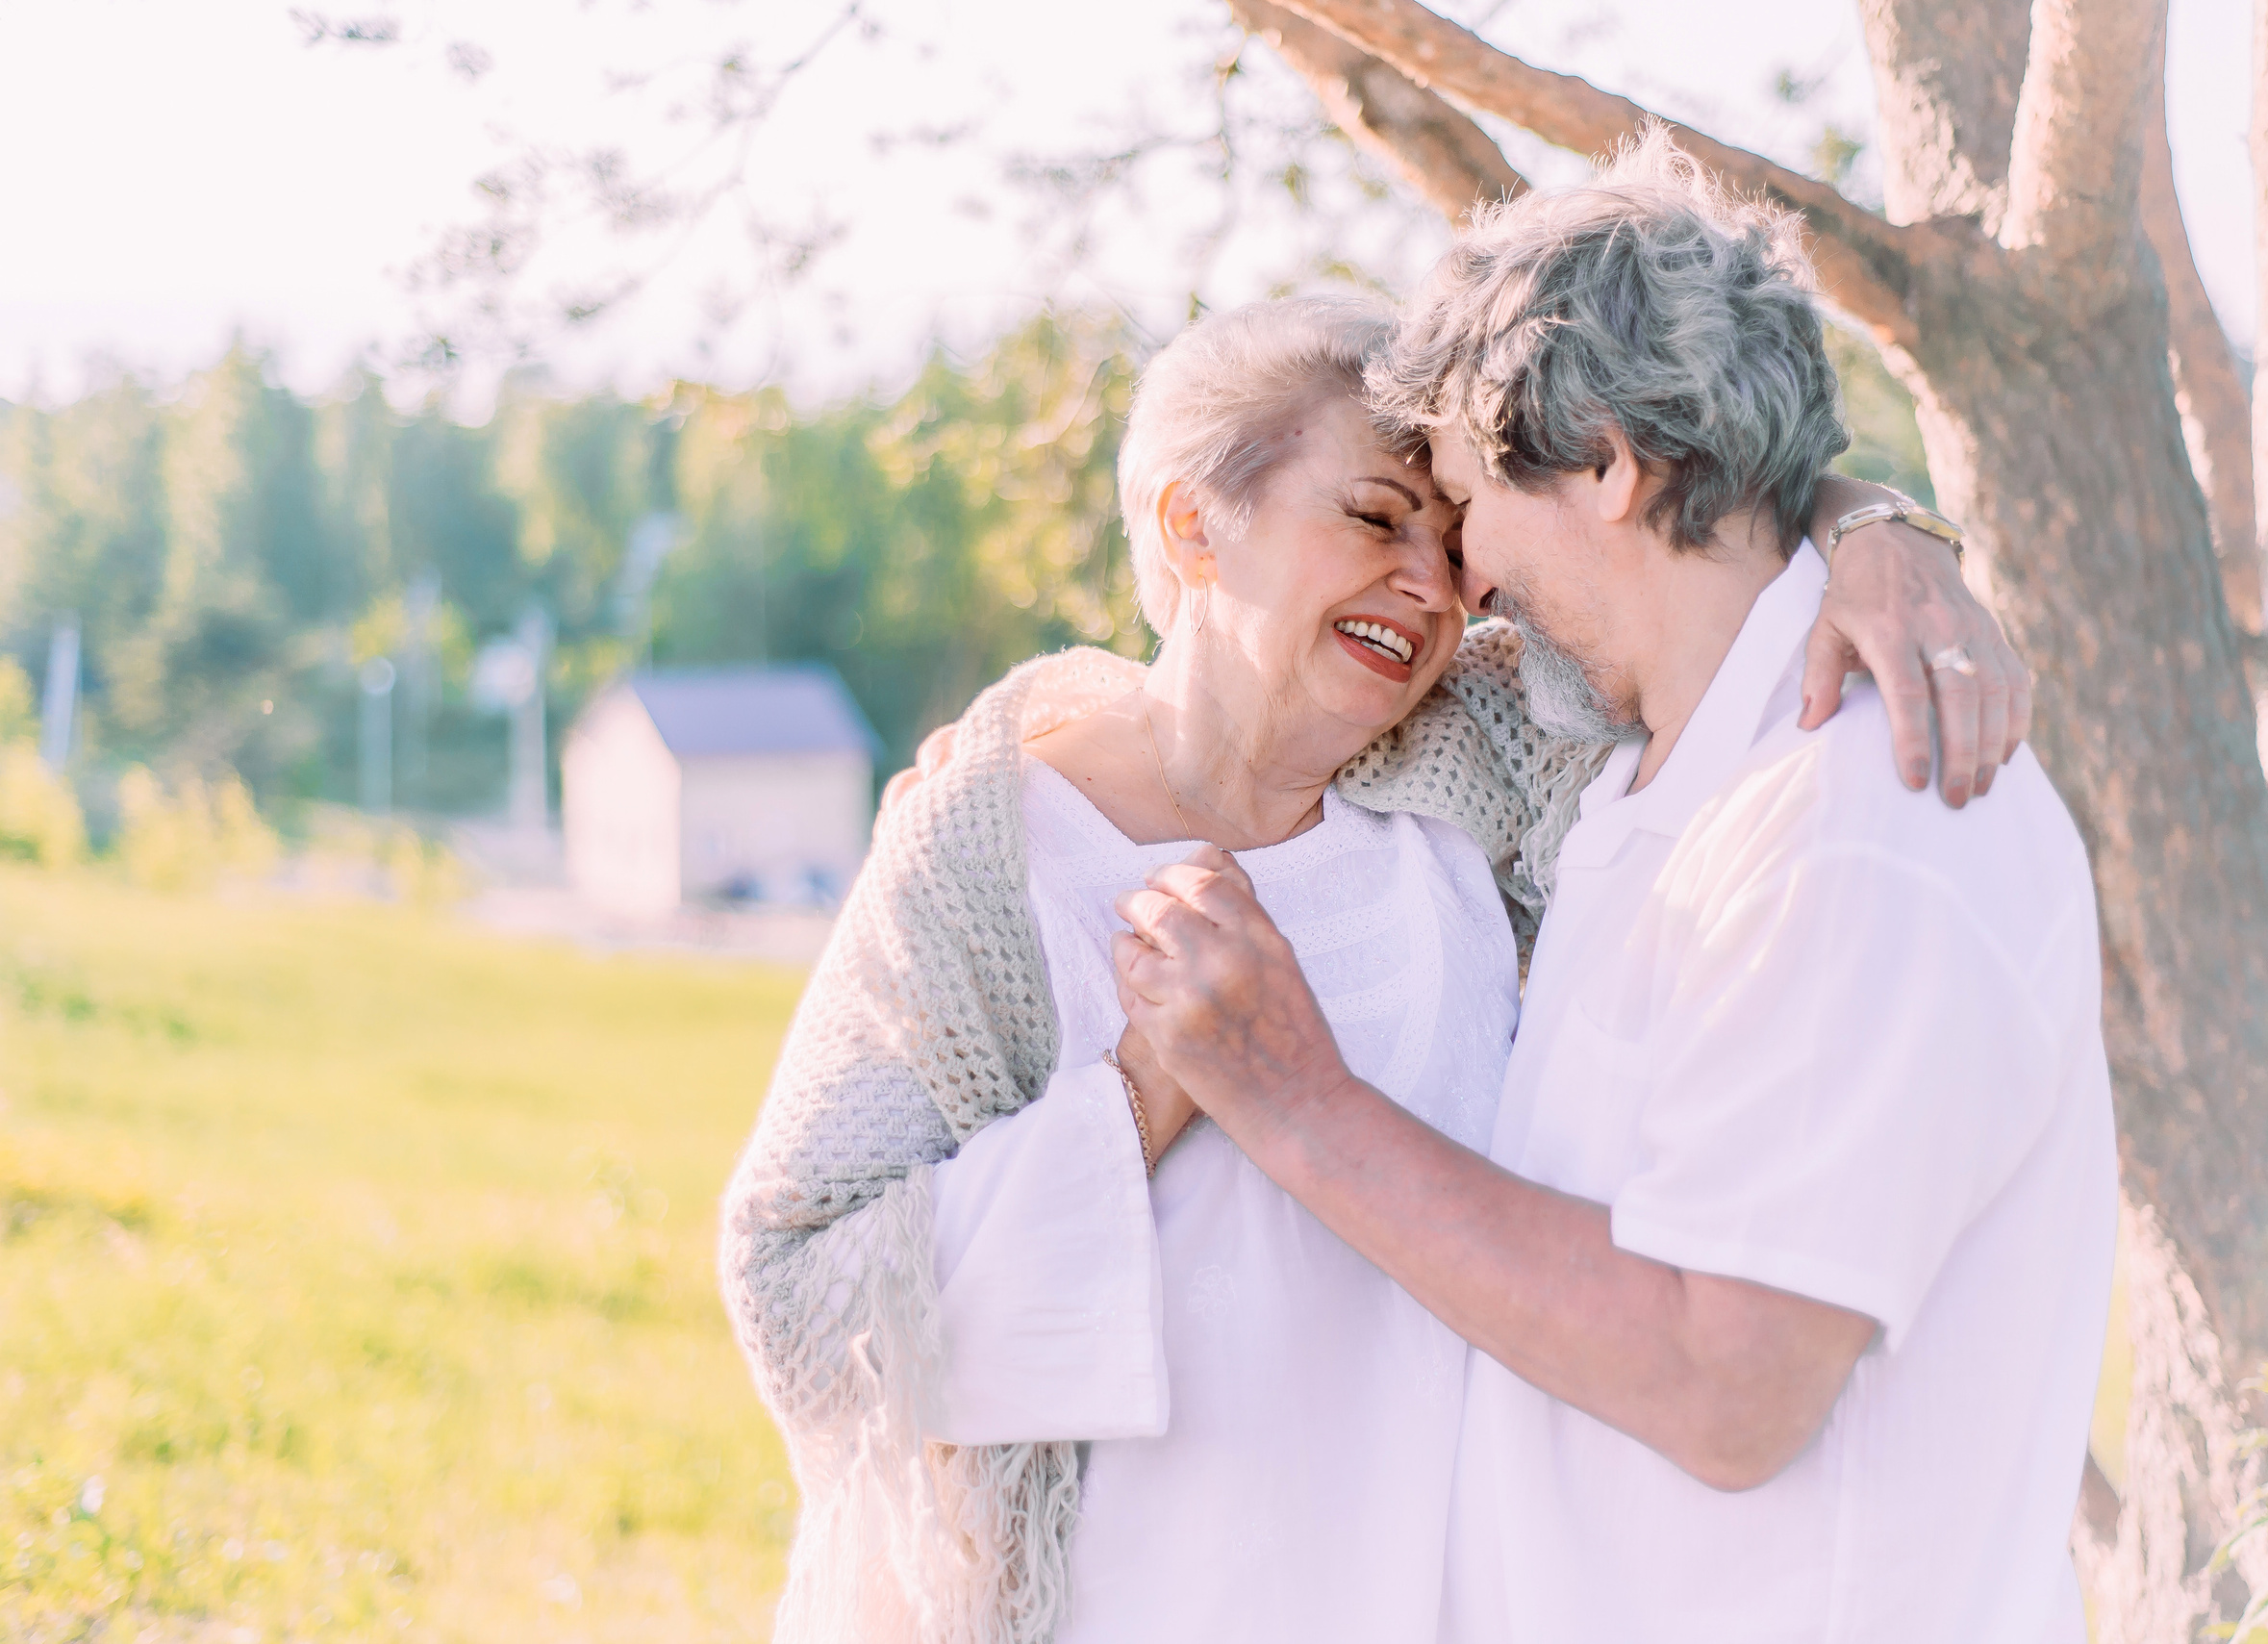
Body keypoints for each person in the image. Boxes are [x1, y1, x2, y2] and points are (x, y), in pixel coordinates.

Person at [719, 291, 2024, 1643]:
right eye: (1375, 516)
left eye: (1457, 540)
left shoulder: (1488, 767)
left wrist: (1868, 524)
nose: (1435, 583)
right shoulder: (985, 860)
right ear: (1191, 526)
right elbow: (802, 1299)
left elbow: (1684, 559)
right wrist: (1141, 1088)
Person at [1113, 138, 2117, 1644]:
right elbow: (1252, 673)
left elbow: (1731, 1384)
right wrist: (1863, 513)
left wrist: (1294, 1097)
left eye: (1463, 509)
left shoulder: (1862, 817)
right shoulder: (1655, 770)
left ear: (1605, 463)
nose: (1470, 587)